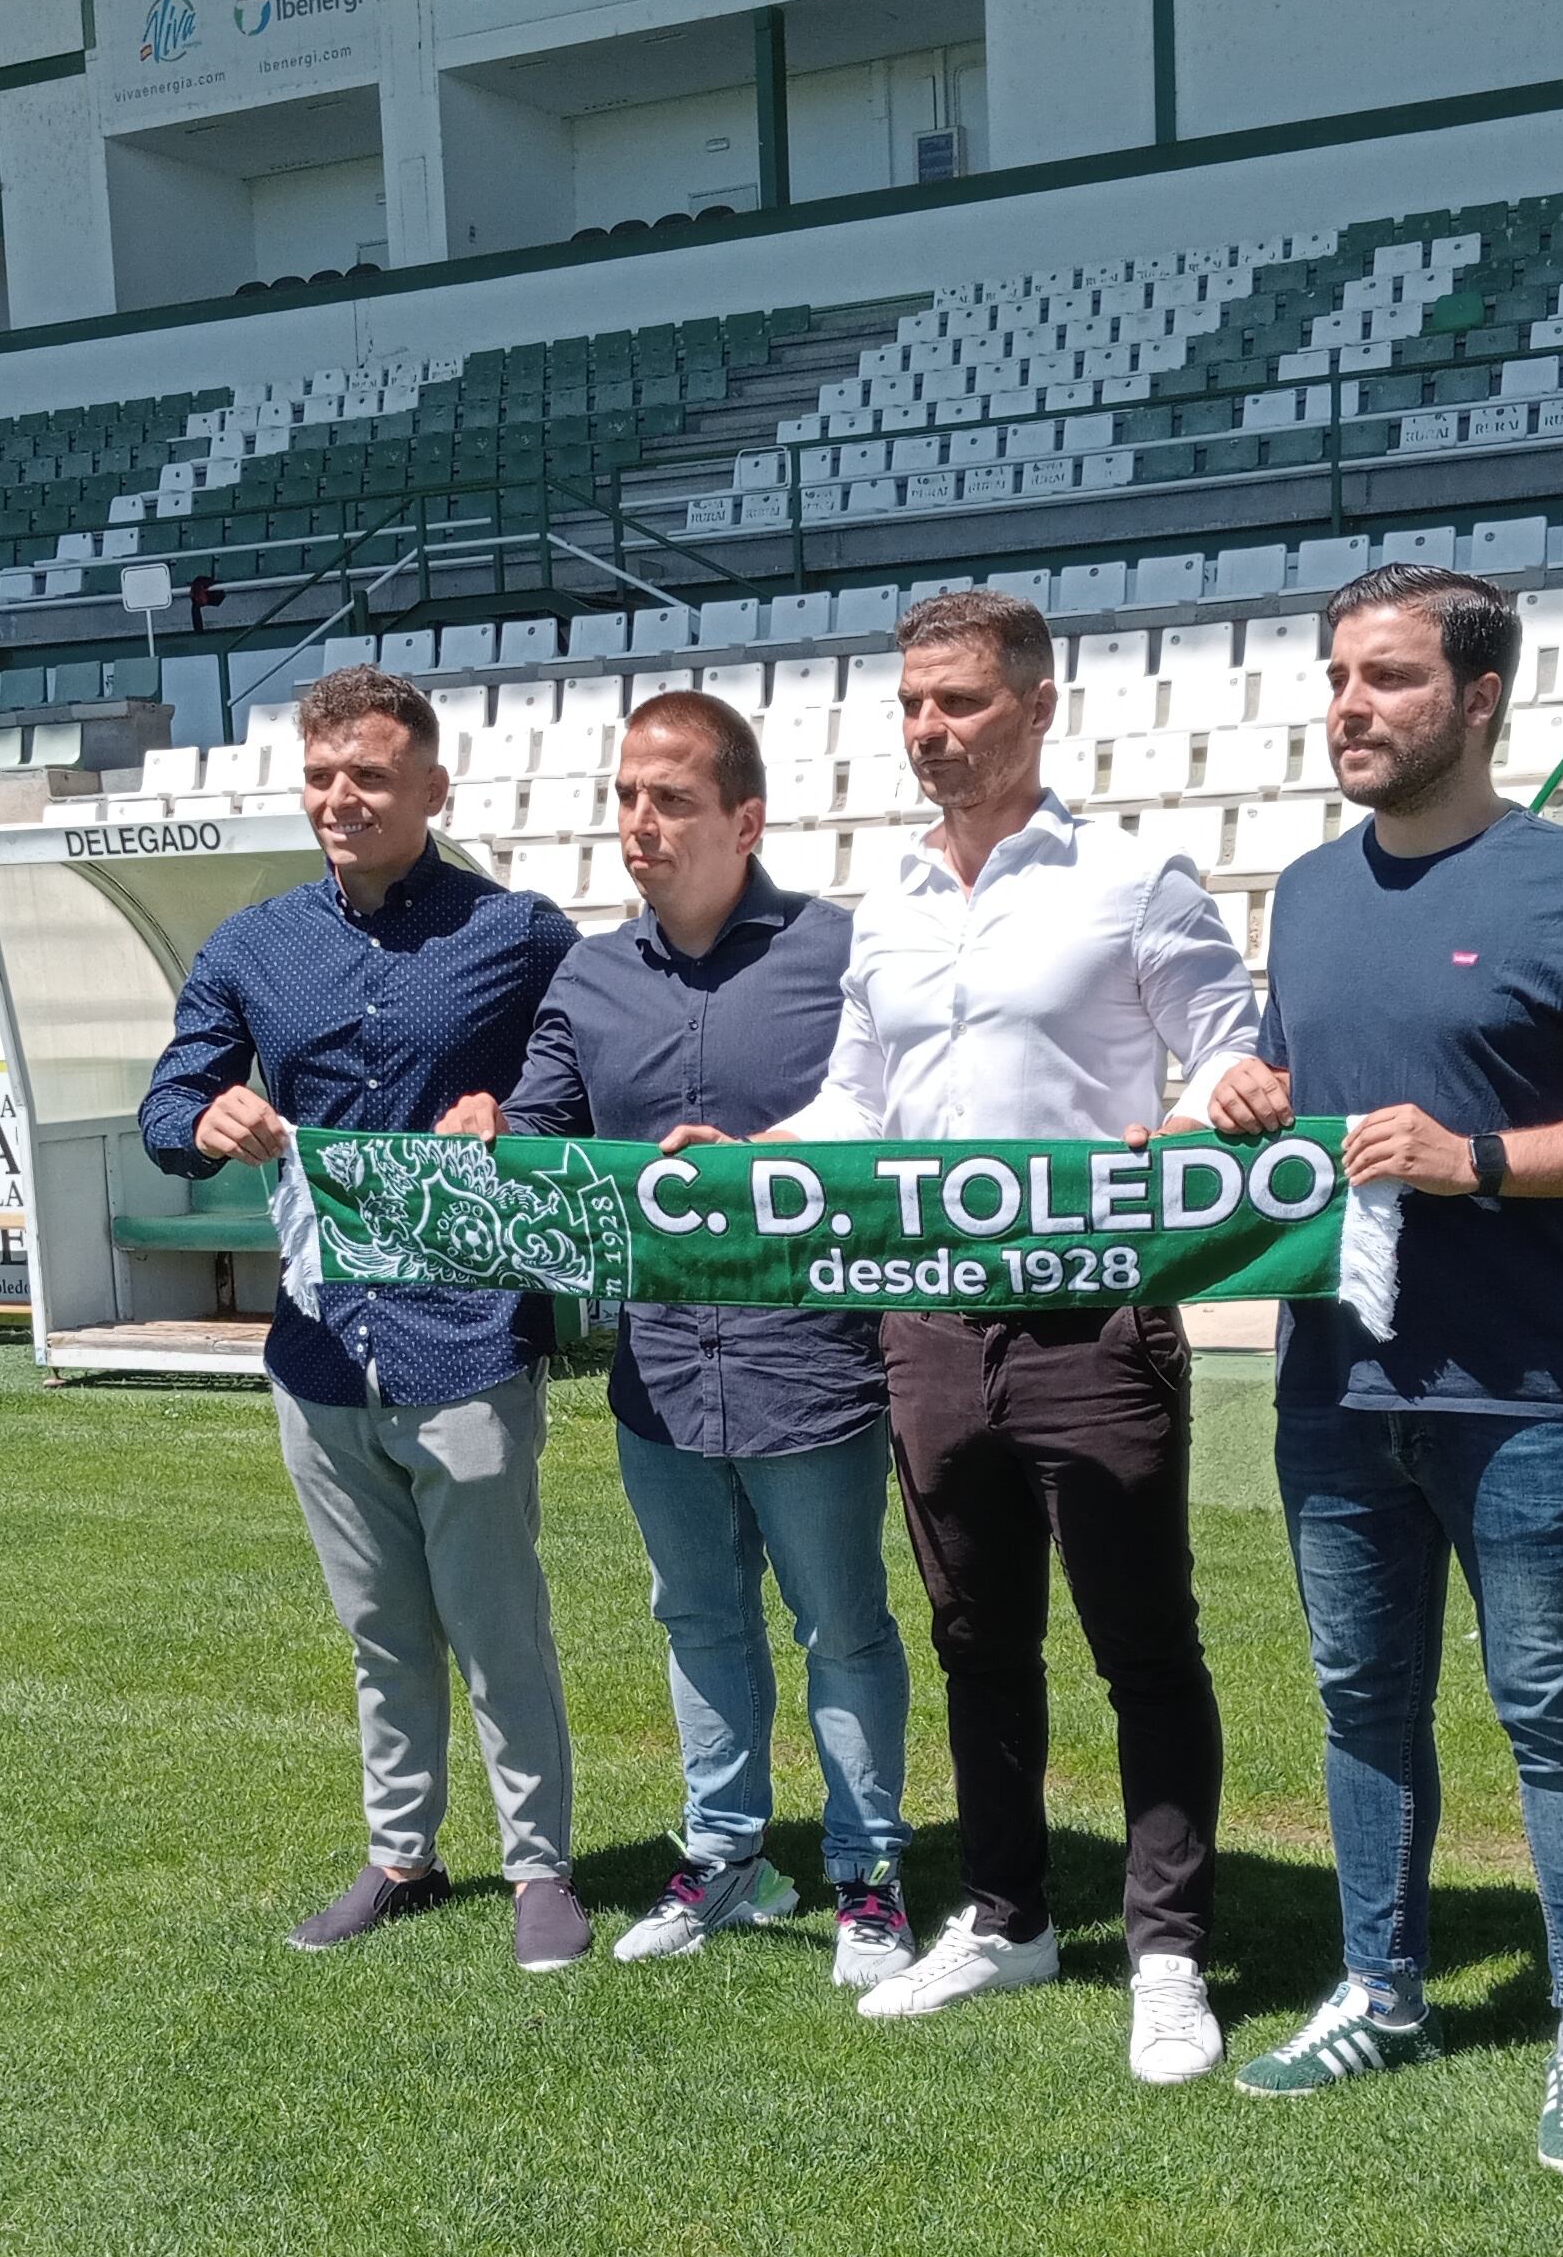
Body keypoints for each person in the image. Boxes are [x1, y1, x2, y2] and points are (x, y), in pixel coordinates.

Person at [1208, 566, 1563, 2172]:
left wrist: (1477, 1161)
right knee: (1362, 1705)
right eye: (1339, 677)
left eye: (1387, 679)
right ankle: (1381, 1987)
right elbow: (1320, 1085)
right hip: (1335, 1389)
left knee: (1554, 1713)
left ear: (1479, 698)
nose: (1349, 707)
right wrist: (1247, 1084)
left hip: (1527, 1393)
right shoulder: (1305, 890)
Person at [778, 589, 1263, 2085]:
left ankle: (1169, 1951)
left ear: (1039, 708)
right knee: (978, 1638)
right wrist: (739, 1152)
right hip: (925, 1322)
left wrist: (1207, 1103)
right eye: (914, 706)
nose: (931, 731)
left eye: (962, 703)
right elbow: (856, 1104)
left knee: (1142, 1646)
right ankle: (1006, 1916)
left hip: (1094, 1321)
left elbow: (1227, 1039)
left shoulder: (1134, 881)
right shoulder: (889, 905)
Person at [435, 689, 918, 1987]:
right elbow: (543, 1124)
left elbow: (899, 1127)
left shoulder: (842, 957)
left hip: (814, 1365)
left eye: (672, 800)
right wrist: (492, 1128)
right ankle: (726, 1856)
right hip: (659, 1375)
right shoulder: (587, 977)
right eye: (628, 798)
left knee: (843, 1629)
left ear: (744, 818)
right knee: (700, 1621)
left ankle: (871, 1878)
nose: (640, 824)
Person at [138, 664, 592, 1972]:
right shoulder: (253, 946)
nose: (344, 798)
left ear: (431, 789)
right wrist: (207, 1119)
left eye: (372, 776)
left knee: (498, 1620)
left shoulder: (519, 934)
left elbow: (580, 1075)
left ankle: (540, 1868)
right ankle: (402, 1854)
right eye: (325, 776)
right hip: (321, 1346)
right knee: (380, 1625)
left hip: (470, 1336)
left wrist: (522, 1115)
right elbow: (170, 1106)